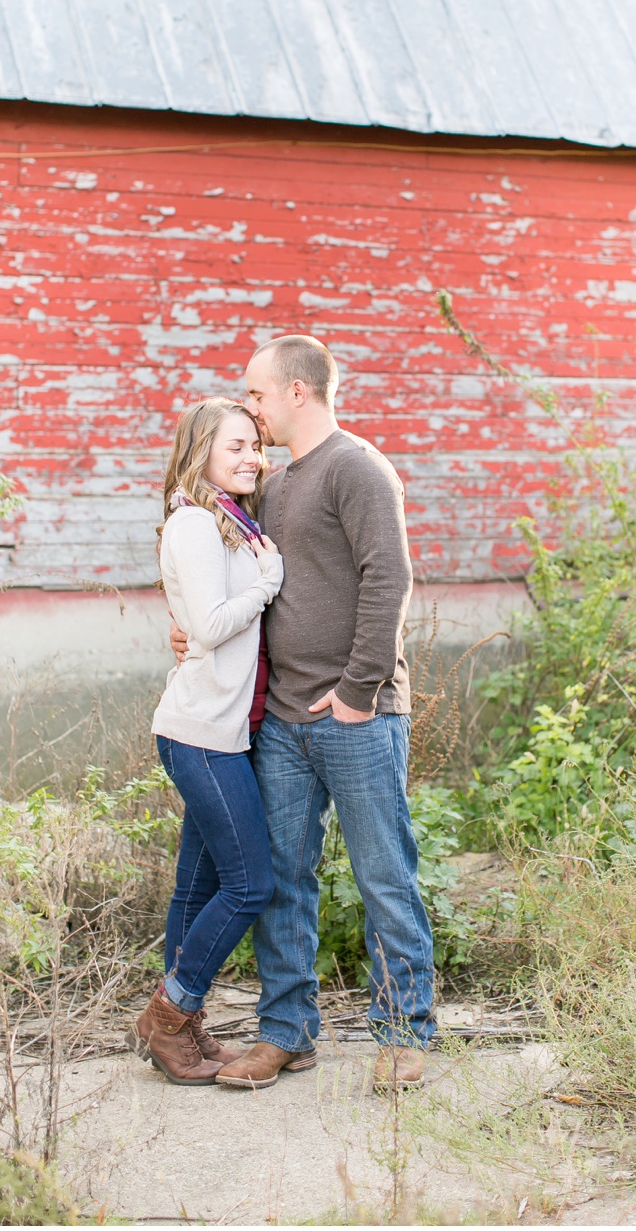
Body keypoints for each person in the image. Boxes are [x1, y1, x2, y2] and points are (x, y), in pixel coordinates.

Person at [172, 334, 438, 1092]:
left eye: (256, 394)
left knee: (384, 875)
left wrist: (358, 692)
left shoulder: (357, 467)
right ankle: (287, 1032)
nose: (251, 410)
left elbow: (390, 579)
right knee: (284, 879)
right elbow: (244, 581)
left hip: (357, 715)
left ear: (297, 391)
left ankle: (403, 1033)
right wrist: (191, 622)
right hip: (282, 721)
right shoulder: (278, 487)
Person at [133, 397, 283, 1084]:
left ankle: (182, 1029)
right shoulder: (195, 524)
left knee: (197, 886)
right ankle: (171, 1012)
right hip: (199, 735)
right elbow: (212, 625)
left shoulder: (232, 523)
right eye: (236, 446)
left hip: (224, 731)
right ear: (202, 454)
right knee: (251, 884)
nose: (252, 456)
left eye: (256, 445)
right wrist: (268, 581)